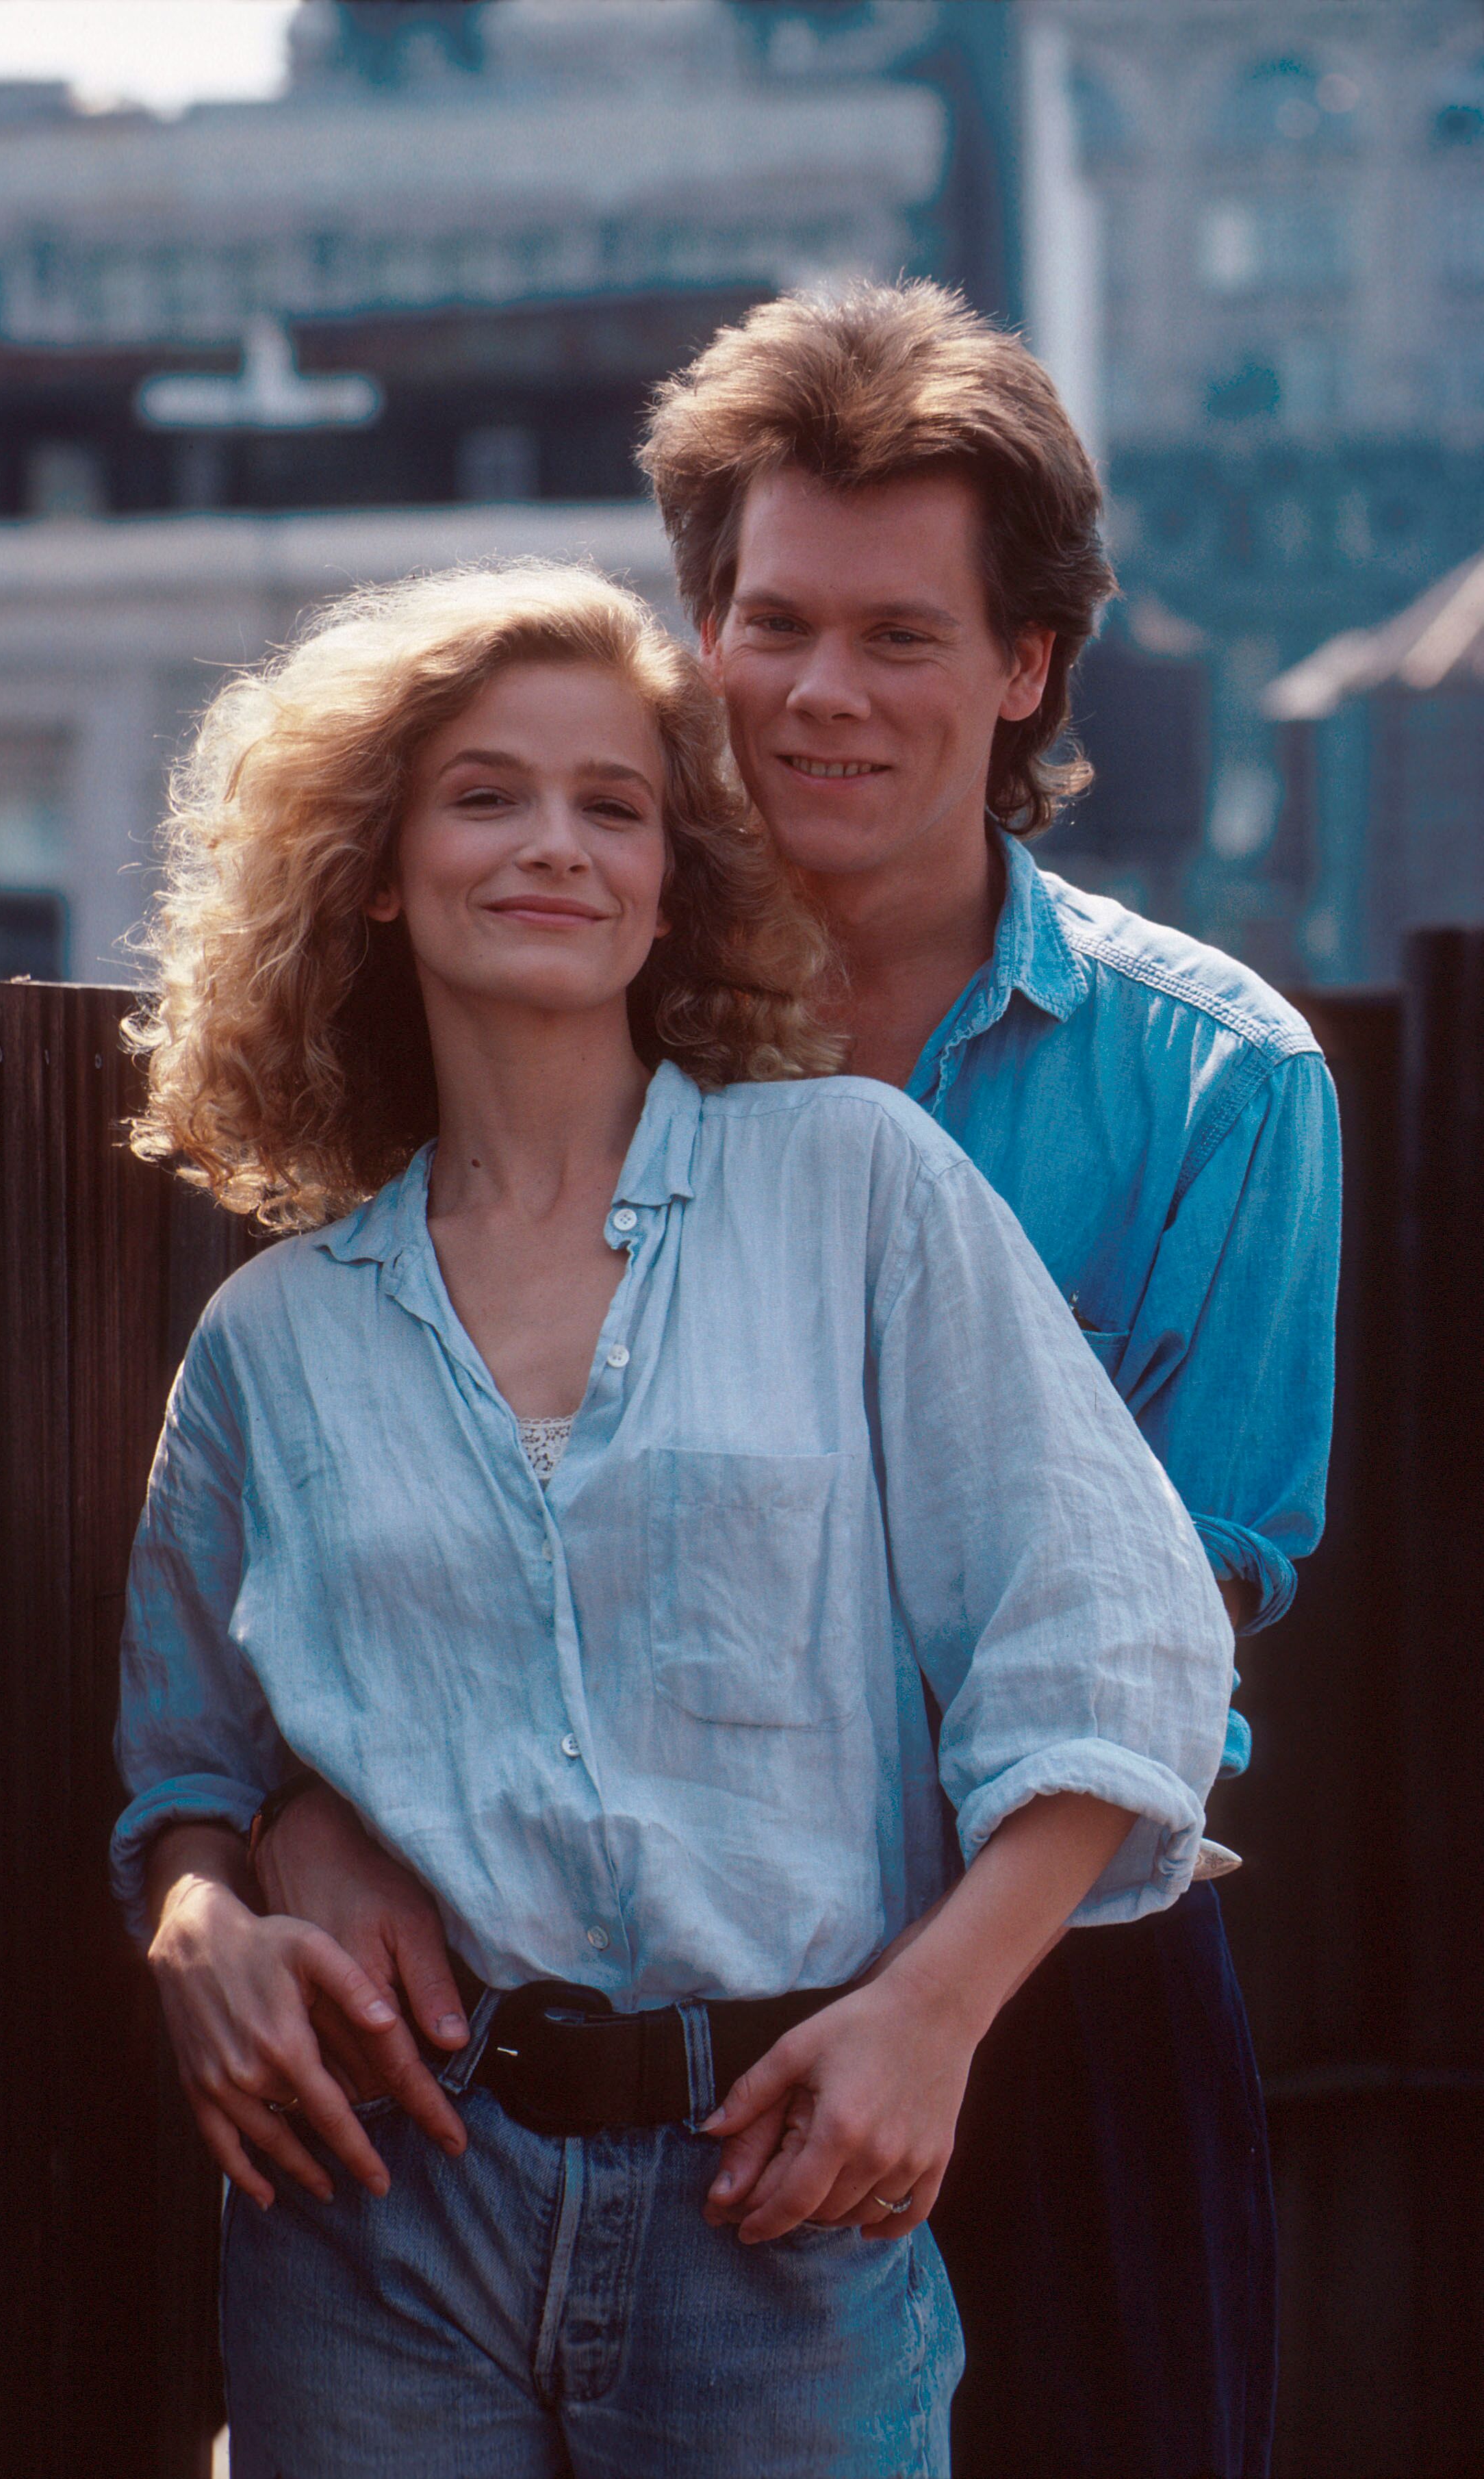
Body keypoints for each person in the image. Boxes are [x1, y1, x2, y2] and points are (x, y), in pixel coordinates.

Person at [257, 287, 1342, 2479]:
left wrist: (923, 1997)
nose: (820, 694)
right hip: (603, 2053)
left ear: (1029, 669)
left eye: (902, 636)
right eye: (773, 623)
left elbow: (1176, 1610)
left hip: (1056, 1985)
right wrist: (284, 1836)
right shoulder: (521, 1009)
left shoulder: (1217, 1080)